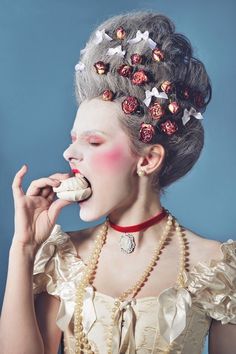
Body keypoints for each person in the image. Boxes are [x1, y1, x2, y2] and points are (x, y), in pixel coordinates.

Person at [0, 11, 235, 354]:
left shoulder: (216, 267)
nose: (69, 153)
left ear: (148, 159)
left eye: (93, 142)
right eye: (73, 139)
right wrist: (22, 249)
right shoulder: (62, 258)